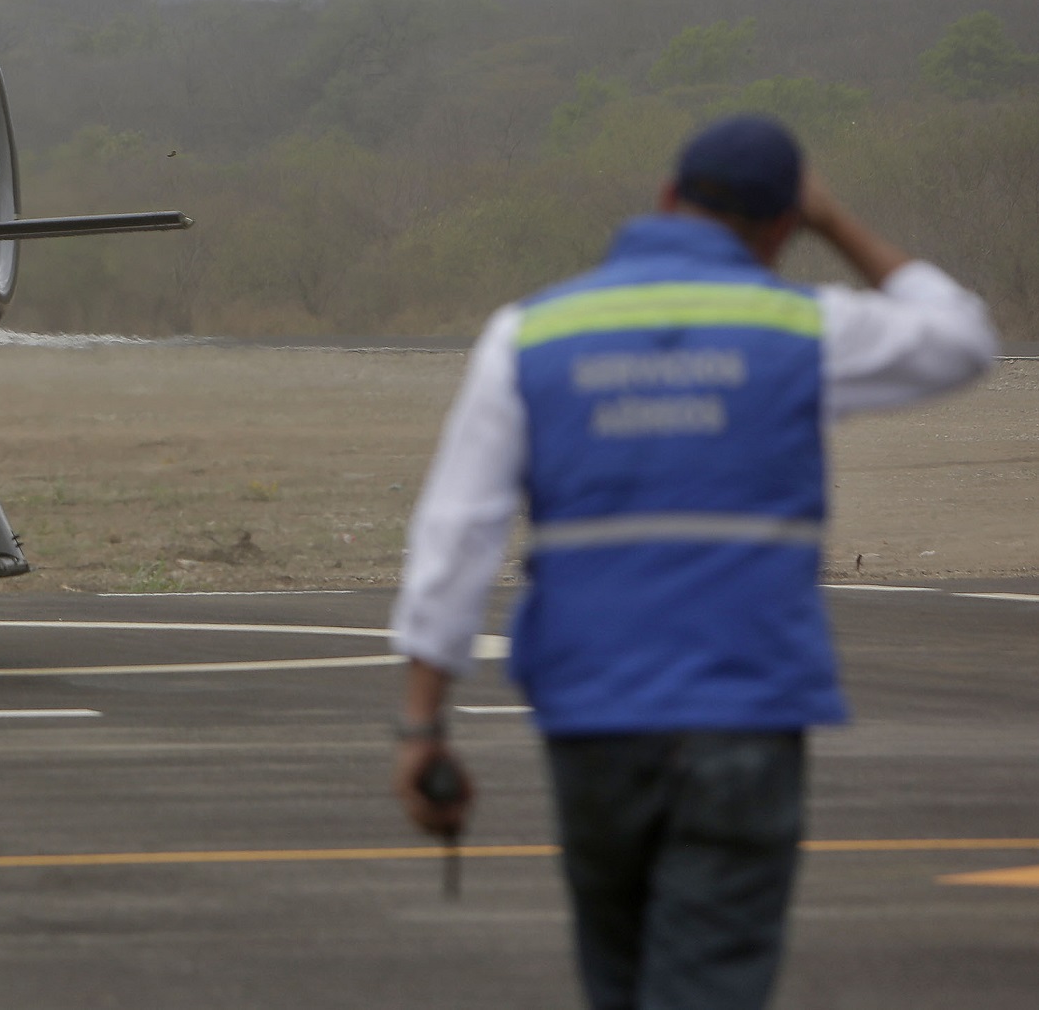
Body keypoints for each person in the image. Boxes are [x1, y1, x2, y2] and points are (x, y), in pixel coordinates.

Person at [390, 114, 996, 1010]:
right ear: (787, 224)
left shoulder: (528, 336)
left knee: (620, 982)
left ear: (667, 198)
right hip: (742, 716)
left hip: (592, 720)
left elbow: (455, 539)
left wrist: (421, 729)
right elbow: (961, 336)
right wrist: (839, 223)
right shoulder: (802, 328)